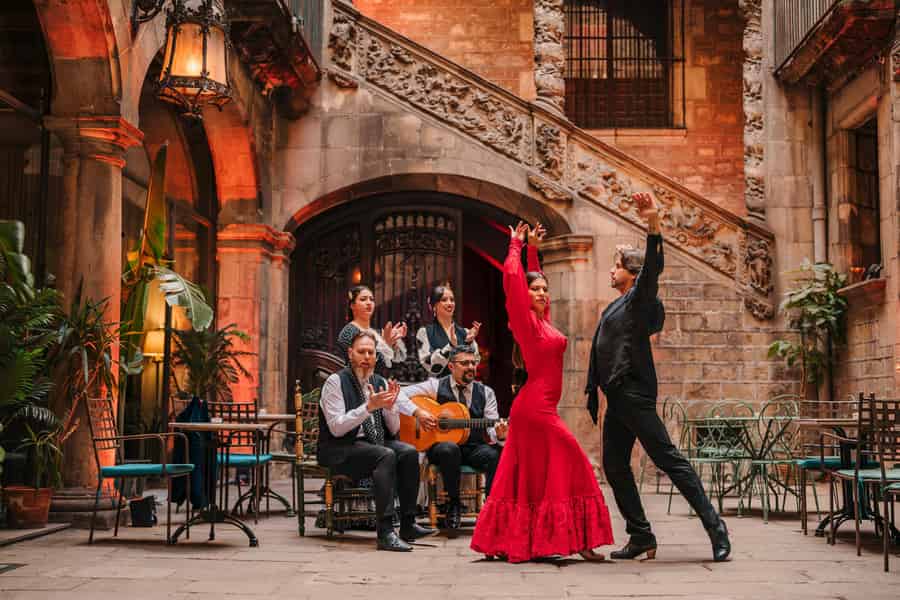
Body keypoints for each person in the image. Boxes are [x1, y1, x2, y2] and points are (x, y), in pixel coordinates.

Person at [585, 192, 731, 563]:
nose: (610, 270)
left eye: (616, 265)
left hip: (633, 394)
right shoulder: (617, 304)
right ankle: (641, 536)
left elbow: (653, 269)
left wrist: (653, 223)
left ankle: (716, 528)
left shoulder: (638, 297)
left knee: (668, 459)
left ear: (632, 273)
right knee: (615, 466)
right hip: (618, 399)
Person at [470, 221, 614, 563]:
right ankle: (574, 540)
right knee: (575, 462)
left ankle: (543, 540)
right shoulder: (525, 322)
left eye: (545, 290)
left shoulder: (543, 320)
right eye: (536, 291)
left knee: (535, 478)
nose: (542, 295)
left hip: (538, 410)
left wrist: (534, 251)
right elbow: (513, 282)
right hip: (535, 411)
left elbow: (534, 282)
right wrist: (515, 246)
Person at [317, 330, 436, 551]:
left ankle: (408, 523)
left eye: (371, 352)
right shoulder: (335, 382)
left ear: (376, 356)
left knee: (408, 452)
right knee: (385, 454)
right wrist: (368, 407)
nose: (366, 357)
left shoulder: (378, 381)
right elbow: (336, 427)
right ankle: (385, 532)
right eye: (361, 352)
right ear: (351, 354)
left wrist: (389, 409)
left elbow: (393, 429)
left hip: (370, 446)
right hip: (339, 449)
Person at [403, 344, 507, 531]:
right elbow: (402, 396)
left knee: (496, 454)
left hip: (473, 448)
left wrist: (499, 434)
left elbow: (492, 428)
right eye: (465, 363)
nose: (471, 367)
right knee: (449, 449)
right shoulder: (435, 386)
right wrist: (419, 413)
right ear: (451, 366)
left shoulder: (486, 392)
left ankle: (492, 510)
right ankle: (454, 504)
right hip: (441, 448)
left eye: (473, 363)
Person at [337, 285, 407, 375]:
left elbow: (395, 363)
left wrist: (394, 340)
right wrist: (386, 344)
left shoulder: (376, 332)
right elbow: (364, 368)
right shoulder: (349, 332)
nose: (369, 302)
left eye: (371, 299)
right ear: (352, 305)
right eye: (363, 299)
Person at [416, 283, 481, 378]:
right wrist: (450, 346)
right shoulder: (424, 332)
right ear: (434, 305)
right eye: (444, 300)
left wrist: (468, 342)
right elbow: (430, 366)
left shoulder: (465, 332)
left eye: (452, 300)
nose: (450, 303)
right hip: (438, 388)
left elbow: (475, 362)